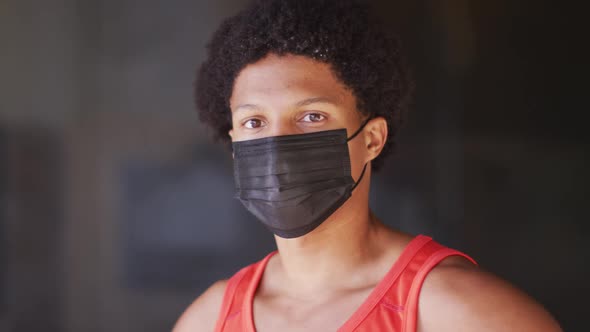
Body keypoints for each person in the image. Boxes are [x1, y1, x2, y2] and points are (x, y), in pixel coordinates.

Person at [173, 0, 562, 331]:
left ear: (371, 139)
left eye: (312, 116)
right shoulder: (208, 320)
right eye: (254, 122)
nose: (277, 146)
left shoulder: (462, 312)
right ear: (233, 141)